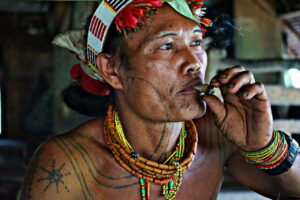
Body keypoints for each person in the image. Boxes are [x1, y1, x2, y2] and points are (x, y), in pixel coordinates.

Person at [21, 0, 300, 199]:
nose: (194, 63)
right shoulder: (68, 162)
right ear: (112, 70)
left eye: (195, 43)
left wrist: (264, 145)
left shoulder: (218, 137)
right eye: (166, 46)